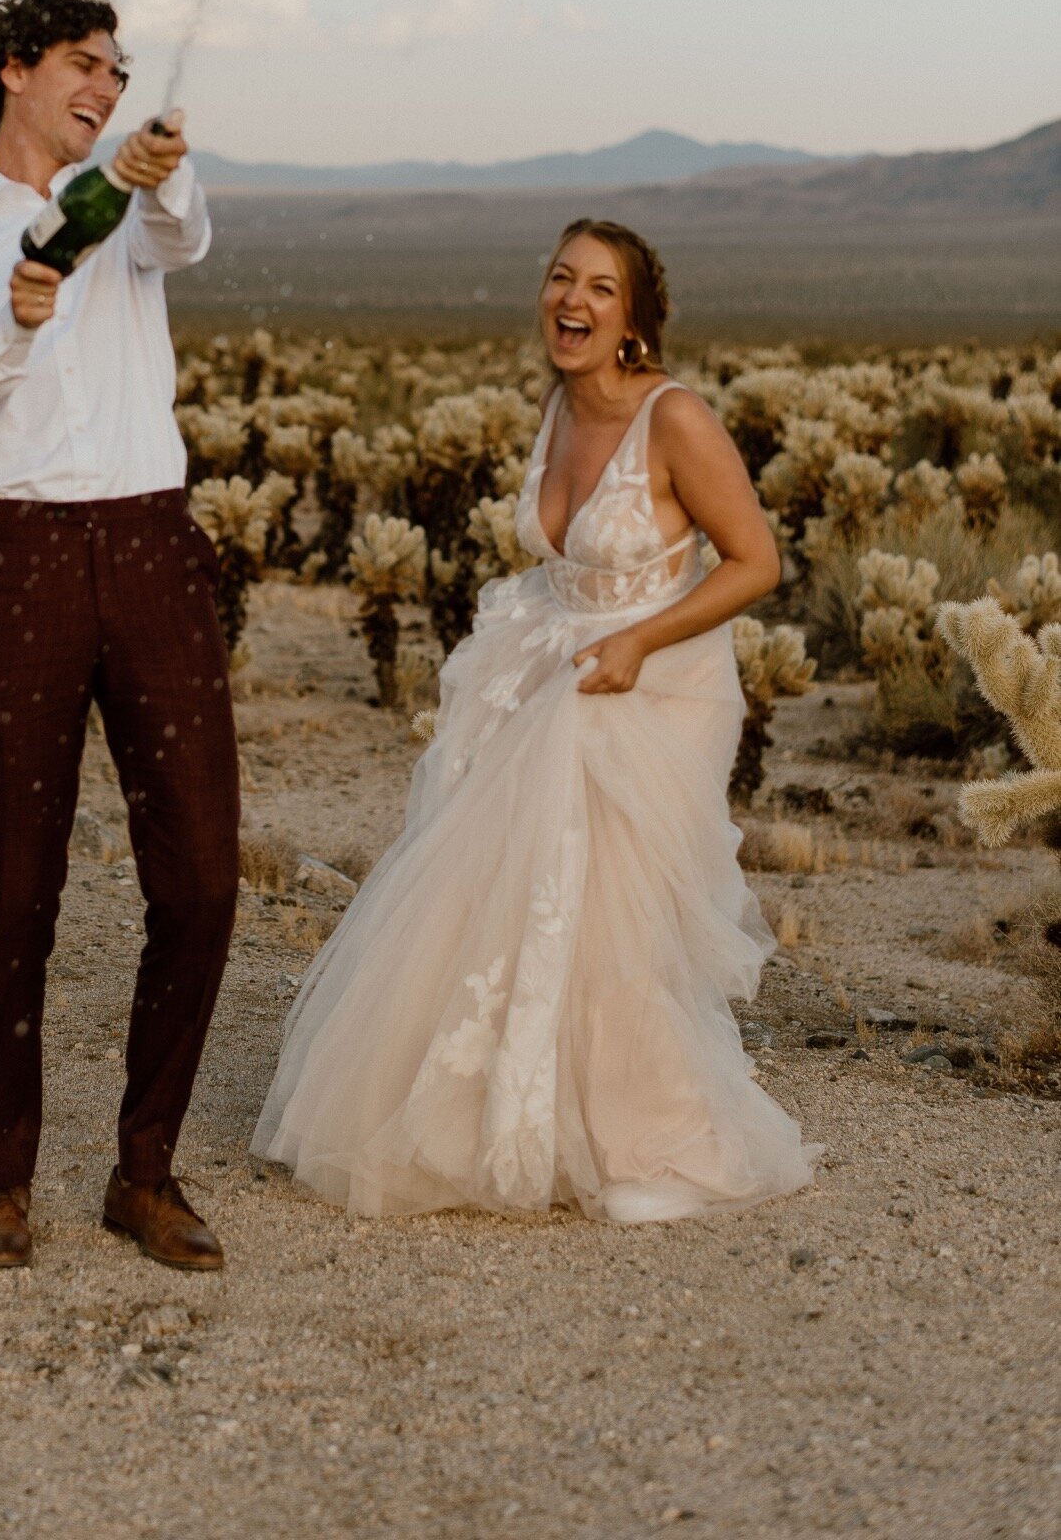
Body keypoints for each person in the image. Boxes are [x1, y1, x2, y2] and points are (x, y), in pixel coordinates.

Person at [253, 219, 819, 1222]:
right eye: (562, 278)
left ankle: (645, 1130)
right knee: (507, 893)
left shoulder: (675, 418)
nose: (575, 301)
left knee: (606, 908)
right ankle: (511, 1117)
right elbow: (567, 561)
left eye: (603, 288)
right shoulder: (556, 406)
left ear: (635, 319)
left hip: (656, 685)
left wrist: (640, 639)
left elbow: (756, 562)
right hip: (554, 662)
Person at [0, 0, 239, 1272]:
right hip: (16, 554)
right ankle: (3, 1183)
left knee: (202, 877)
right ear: (16, 72)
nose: (106, 87)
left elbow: (180, 243)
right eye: (86, 65)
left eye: (122, 73)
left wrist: (159, 171)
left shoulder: (131, 210)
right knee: (16, 883)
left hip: (151, 546)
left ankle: (144, 1174)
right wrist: (14, 325)